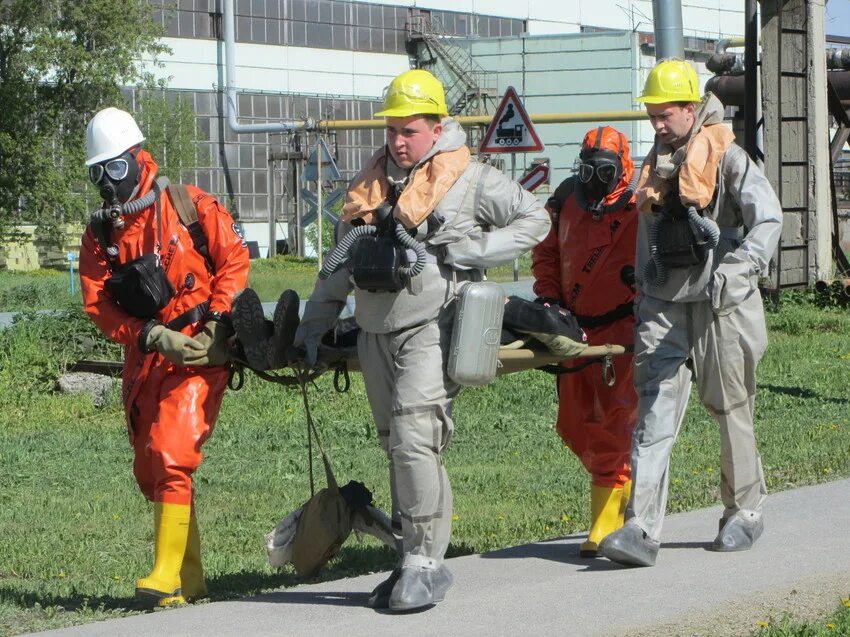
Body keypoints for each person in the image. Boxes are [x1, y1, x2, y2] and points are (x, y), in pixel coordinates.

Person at [292, 69, 550, 611]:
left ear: (436, 128)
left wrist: (474, 251)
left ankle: (422, 563)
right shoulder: (369, 186)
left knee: (414, 440)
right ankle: (417, 554)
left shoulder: (469, 178)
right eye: (391, 130)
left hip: (435, 330)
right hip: (375, 333)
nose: (397, 141)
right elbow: (337, 267)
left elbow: (535, 220)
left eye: (409, 130)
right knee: (402, 446)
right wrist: (312, 328)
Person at [597, 59, 782, 567]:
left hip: (723, 305)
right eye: (652, 114)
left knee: (730, 410)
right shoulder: (653, 164)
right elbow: (645, 236)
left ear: (690, 108)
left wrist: (739, 270)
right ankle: (641, 528)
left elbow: (768, 220)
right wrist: (643, 294)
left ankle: (743, 512)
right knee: (653, 413)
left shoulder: (729, 156)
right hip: (664, 307)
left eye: (664, 113)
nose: (657, 123)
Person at [78, 107, 250, 604]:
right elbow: (98, 305)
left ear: (137, 158)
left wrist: (218, 323)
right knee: (153, 467)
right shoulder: (102, 235)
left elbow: (234, 261)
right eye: (97, 173)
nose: (107, 183)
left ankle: (164, 577)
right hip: (148, 358)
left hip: (200, 352)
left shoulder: (186, 205)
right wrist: (150, 336)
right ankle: (190, 585)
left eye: (114, 169)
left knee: (173, 452)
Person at [531, 126, 639, 557]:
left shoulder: (638, 203)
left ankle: (605, 521)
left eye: (605, 171)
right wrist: (550, 301)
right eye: (590, 169)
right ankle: (619, 489)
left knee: (614, 421)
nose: (596, 180)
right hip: (573, 326)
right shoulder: (563, 199)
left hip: (622, 328)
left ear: (621, 167)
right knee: (573, 423)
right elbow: (547, 253)